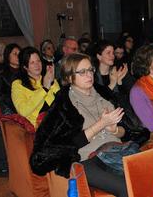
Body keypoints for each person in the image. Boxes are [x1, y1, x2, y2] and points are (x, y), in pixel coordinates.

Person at [30, 53, 131, 197]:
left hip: (117, 152)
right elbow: (63, 145)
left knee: (151, 174)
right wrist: (101, 124)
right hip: (88, 159)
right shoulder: (64, 105)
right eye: (82, 72)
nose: (88, 75)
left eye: (90, 70)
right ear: (70, 77)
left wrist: (114, 130)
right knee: (126, 186)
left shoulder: (103, 95)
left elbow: (125, 131)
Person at [11, 47, 60, 127]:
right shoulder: (18, 85)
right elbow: (23, 111)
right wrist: (44, 89)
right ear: (25, 67)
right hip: (38, 127)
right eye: (32, 62)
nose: (37, 65)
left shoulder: (47, 77)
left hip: (57, 121)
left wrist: (52, 81)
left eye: (38, 61)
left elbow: (61, 99)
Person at [0, 43, 20, 114]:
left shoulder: (26, 71)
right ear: (7, 56)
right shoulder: (2, 75)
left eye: (20, 53)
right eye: (15, 54)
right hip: (11, 108)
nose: (18, 56)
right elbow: (0, 97)